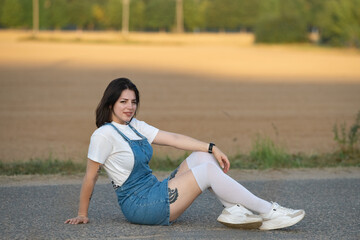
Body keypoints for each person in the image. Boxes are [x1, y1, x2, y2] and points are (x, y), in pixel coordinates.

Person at [65, 78, 305, 230]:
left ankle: (233, 210)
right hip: (140, 205)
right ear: (110, 104)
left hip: (155, 191)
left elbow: (175, 139)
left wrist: (211, 147)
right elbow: (91, 177)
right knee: (208, 171)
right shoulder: (103, 135)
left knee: (204, 158)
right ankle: (268, 211)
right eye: (123, 102)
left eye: (133, 101)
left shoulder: (135, 125)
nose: (130, 107)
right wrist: (82, 214)